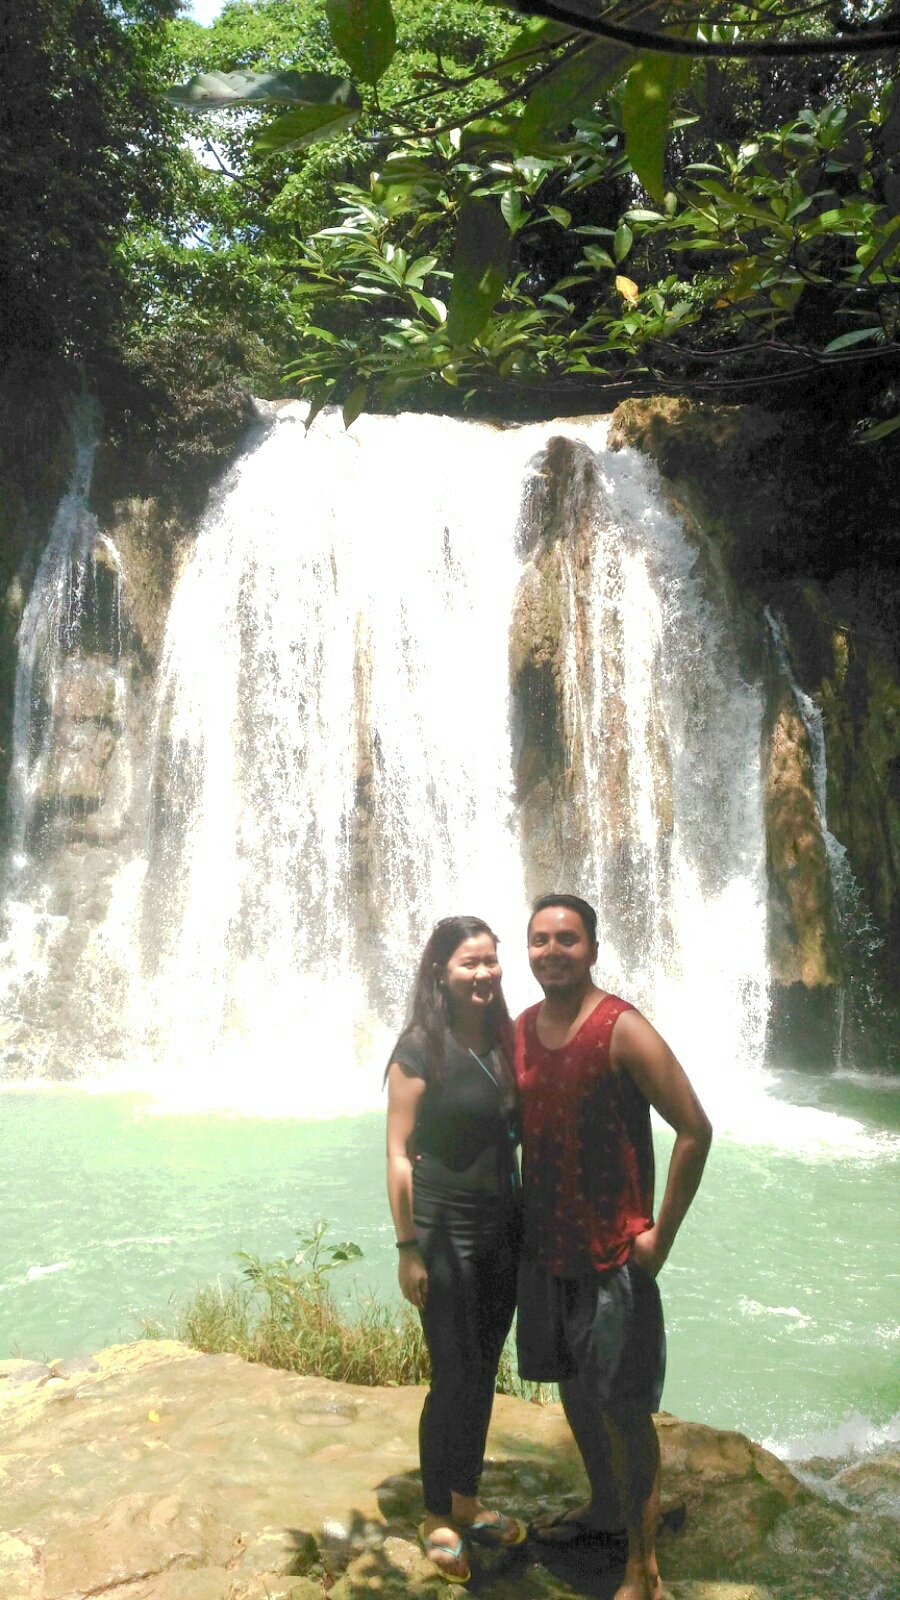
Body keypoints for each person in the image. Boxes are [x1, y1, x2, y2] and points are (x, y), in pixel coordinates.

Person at [515, 893, 712, 1600]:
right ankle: (604, 1507)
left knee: (624, 1409)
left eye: (567, 939)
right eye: (540, 940)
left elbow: (695, 1128)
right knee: (574, 1385)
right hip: (547, 1251)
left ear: (593, 949)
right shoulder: (521, 1030)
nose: (553, 952)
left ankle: (643, 1568)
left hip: (612, 1257)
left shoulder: (622, 1029)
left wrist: (661, 1234)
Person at [385, 915, 527, 1583]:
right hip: (444, 1231)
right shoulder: (420, 1050)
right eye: (470, 962)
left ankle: (468, 1498)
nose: (483, 973)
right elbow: (397, 1154)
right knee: (452, 1372)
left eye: (490, 960)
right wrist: (407, 1247)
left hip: (504, 1231)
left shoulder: (506, 1039)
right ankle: (437, 1514)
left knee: (484, 1368)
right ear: (440, 972)